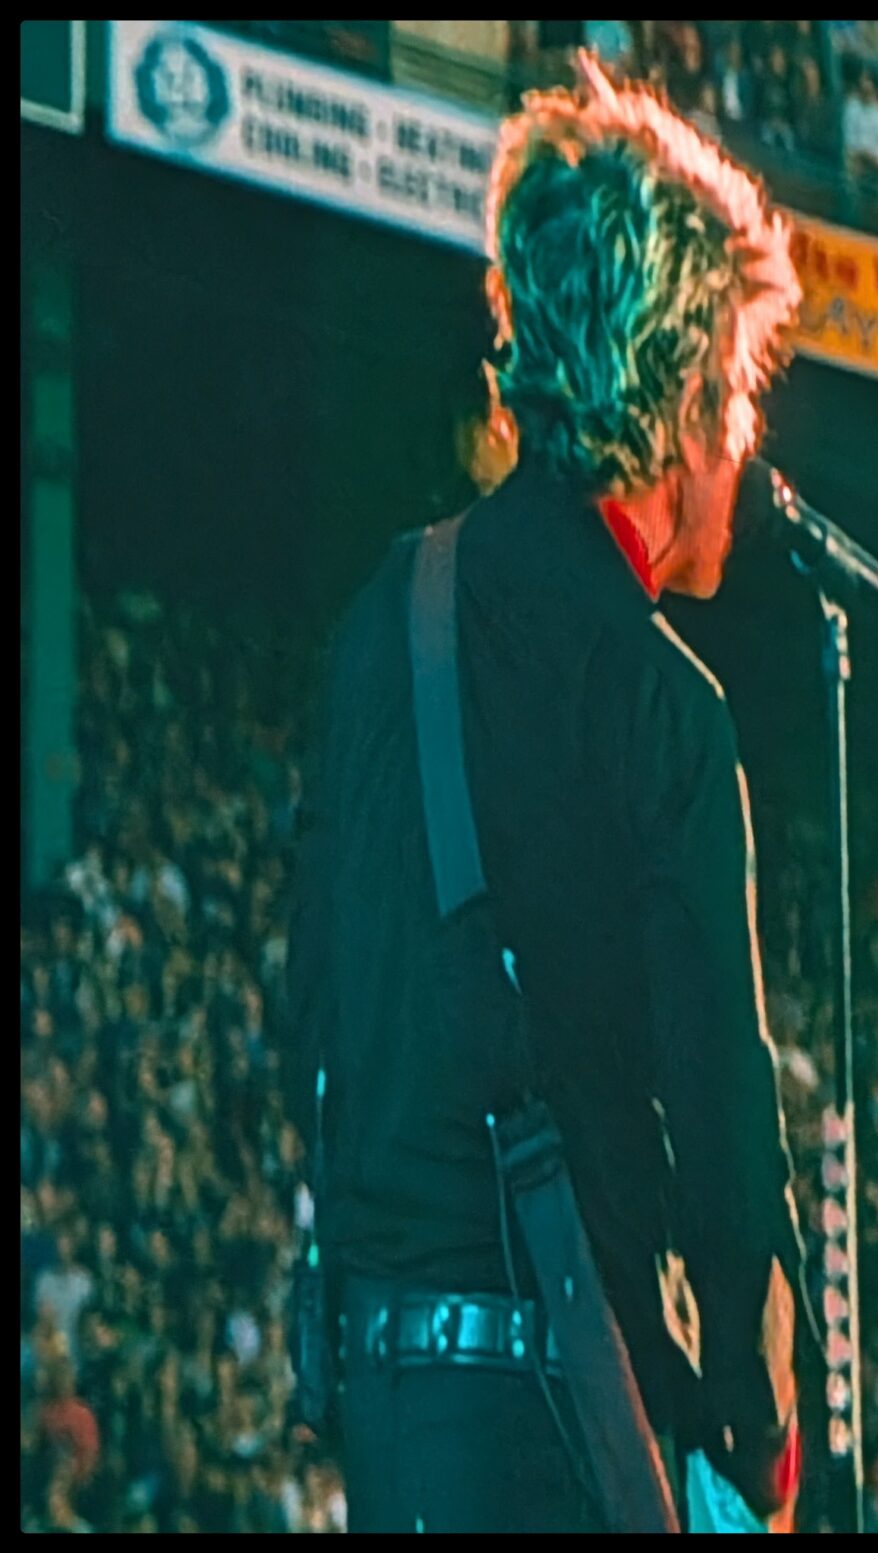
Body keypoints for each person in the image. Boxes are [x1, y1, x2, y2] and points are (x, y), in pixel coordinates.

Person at [286, 50, 813, 1535]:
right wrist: (754, 1443)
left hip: (391, 1405)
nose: (746, 440)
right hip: (568, 1429)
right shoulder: (666, 713)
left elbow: (313, 1002)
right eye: (743, 388)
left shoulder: (388, 616)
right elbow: (727, 1161)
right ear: (683, 391)